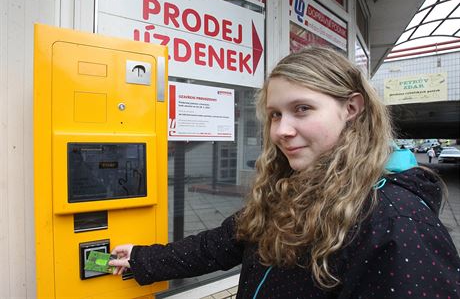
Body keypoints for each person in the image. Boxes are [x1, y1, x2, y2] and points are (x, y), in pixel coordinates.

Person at [109, 47, 460, 298]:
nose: (280, 131)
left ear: (351, 108)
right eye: (276, 114)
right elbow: (219, 244)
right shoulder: (290, 189)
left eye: (302, 109)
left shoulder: (396, 220)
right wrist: (142, 258)